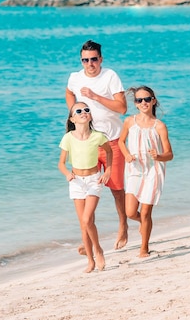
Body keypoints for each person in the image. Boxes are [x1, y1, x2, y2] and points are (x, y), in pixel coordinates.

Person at [66, 40, 128, 250]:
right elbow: (68, 92)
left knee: (117, 189)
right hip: (87, 144)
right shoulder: (75, 78)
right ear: (81, 60)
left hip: (112, 141)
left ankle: (123, 226)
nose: (90, 63)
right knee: (85, 191)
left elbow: (122, 108)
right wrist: (74, 112)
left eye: (94, 59)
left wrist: (95, 97)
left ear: (100, 59)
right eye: (85, 60)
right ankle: (88, 240)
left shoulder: (110, 76)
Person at [118, 86, 173, 258]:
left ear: (153, 101)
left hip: (153, 171)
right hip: (134, 169)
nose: (143, 103)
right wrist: (126, 155)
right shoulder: (129, 122)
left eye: (147, 99)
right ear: (135, 104)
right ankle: (144, 223)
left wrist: (159, 156)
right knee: (130, 212)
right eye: (139, 100)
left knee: (147, 212)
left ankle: (144, 248)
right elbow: (121, 141)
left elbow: (169, 154)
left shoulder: (159, 126)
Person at [58, 102, 111, 273]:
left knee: (87, 219)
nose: (84, 112)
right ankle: (90, 261)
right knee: (84, 224)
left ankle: (98, 250)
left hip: (94, 180)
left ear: (90, 115)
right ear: (72, 119)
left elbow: (109, 152)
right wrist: (67, 174)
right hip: (76, 182)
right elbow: (61, 163)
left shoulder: (98, 136)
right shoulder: (68, 138)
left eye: (86, 110)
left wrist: (107, 170)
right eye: (79, 111)